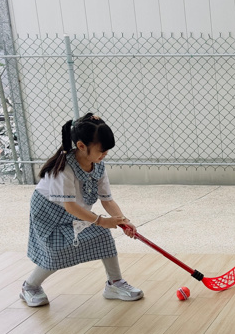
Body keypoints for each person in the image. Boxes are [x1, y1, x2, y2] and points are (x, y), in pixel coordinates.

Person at [20, 113, 144, 307]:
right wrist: (102, 221)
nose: (105, 155)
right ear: (81, 146)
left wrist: (123, 221)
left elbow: (107, 200)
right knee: (56, 251)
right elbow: (70, 206)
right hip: (48, 213)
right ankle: (29, 287)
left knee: (103, 236)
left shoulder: (98, 166)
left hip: (75, 210)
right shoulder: (64, 169)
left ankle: (114, 283)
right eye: (101, 150)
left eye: (107, 151)